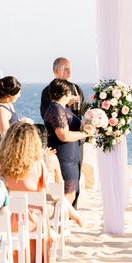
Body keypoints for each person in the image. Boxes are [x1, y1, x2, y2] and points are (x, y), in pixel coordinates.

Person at [0, 122, 54, 263]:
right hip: (31, 222)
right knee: (41, 213)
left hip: (4, 218)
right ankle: (35, 261)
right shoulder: (38, 164)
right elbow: (45, 189)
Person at [40, 57, 85, 208]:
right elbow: (48, 115)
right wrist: (67, 105)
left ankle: (72, 211)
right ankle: (65, 212)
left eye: (70, 68)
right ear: (56, 71)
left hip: (76, 141)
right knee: (64, 183)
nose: (70, 72)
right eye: (66, 69)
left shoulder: (77, 88)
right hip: (61, 143)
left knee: (75, 178)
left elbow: (83, 111)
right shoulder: (48, 92)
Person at [43, 79, 92, 207]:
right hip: (63, 157)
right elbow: (63, 135)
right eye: (69, 93)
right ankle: (57, 223)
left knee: (70, 194)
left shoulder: (61, 108)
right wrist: (85, 134)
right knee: (66, 195)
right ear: (65, 93)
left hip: (70, 157)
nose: (71, 95)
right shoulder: (56, 109)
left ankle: (59, 222)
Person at [0, 76, 22, 150]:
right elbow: (5, 137)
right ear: (10, 95)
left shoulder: (9, 105)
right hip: (2, 154)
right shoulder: (0, 110)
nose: (19, 96)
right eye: (18, 93)